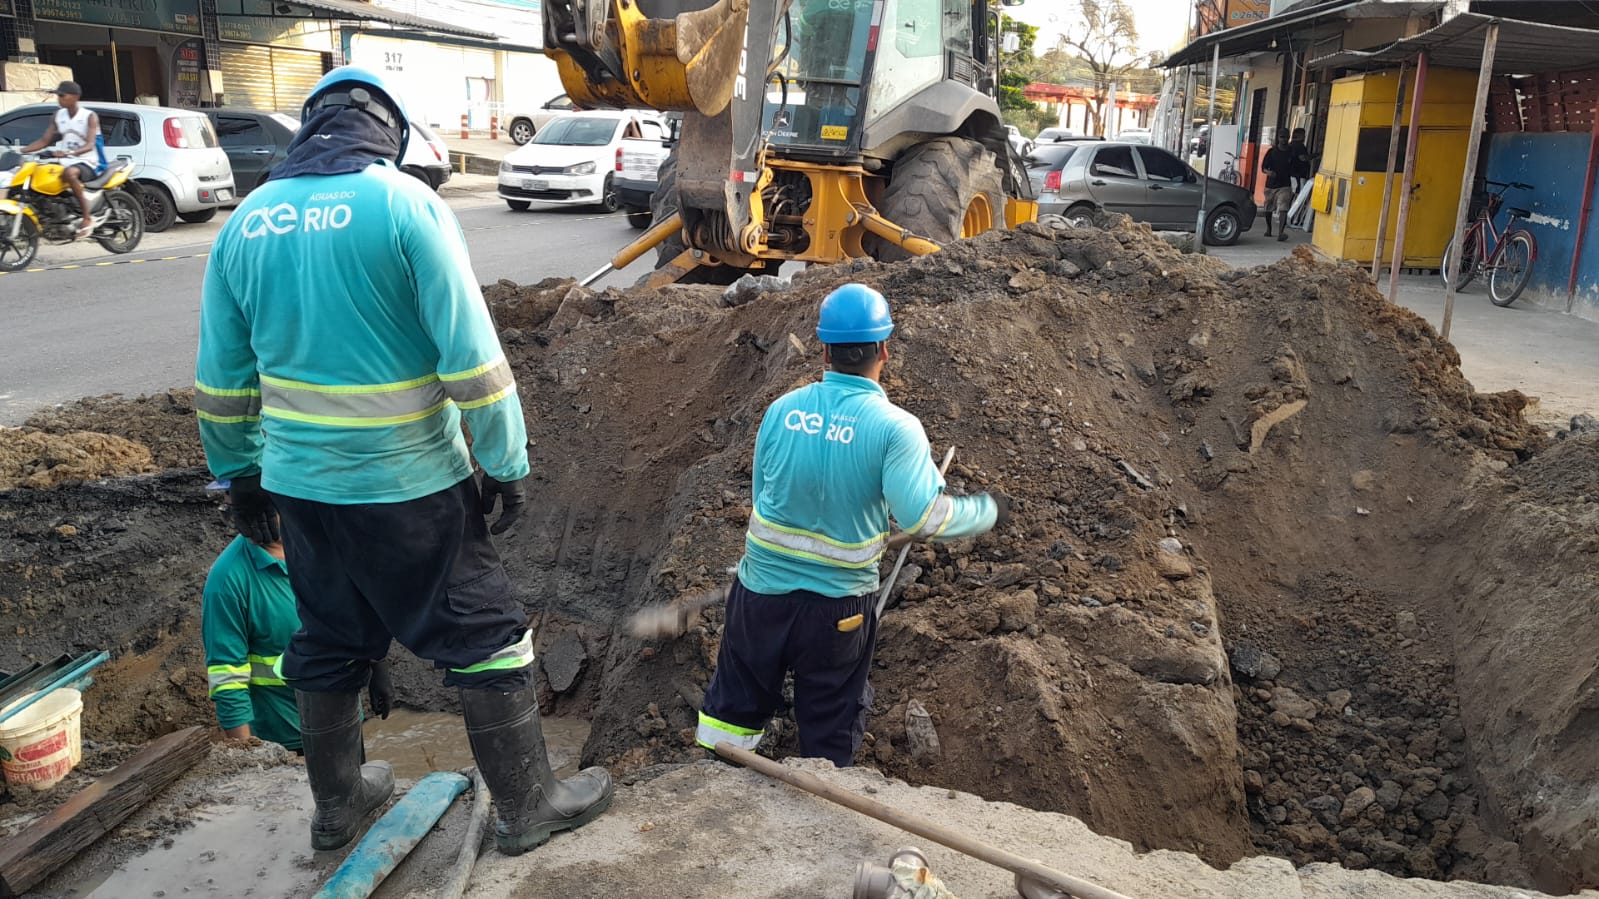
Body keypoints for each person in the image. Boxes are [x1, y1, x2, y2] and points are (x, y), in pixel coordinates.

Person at [194, 66, 612, 855]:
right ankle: (529, 807)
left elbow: (221, 381)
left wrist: (240, 475)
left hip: (302, 491)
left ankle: (339, 802)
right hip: (409, 483)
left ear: (311, 127)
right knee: (488, 636)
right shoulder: (402, 204)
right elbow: (472, 359)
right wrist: (505, 459)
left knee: (328, 638)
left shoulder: (244, 223)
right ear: (384, 129)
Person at [695, 284, 1007, 767]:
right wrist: (986, 512)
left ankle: (711, 790)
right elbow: (922, 517)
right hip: (837, 611)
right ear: (884, 348)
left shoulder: (781, 411)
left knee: (732, 712)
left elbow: (763, 496)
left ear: (823, 350)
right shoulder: (894, 427)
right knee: (829, 721)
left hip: (759, 598)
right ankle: (821, 809)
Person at [201, 483, 394, 755]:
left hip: (344, 721)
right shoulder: (227, 581)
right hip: (285, 743)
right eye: (232, 503)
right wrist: (248, 758)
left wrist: (378, 666)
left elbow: (357, 610)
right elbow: (227, 679)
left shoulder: (323, 547)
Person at [19, 81, 100, 237]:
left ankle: (87, 217)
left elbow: (90, 144)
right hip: (66, 160)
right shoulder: (58, 115)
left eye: (62, 95)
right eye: (58, 95)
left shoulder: (89, 116)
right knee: (40, 172)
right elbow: (44, 141)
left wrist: (69, 152)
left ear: (75, 97)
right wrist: (21, 151)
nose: (59, 99)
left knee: (69, 173)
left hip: (88, 161)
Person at [1261, 130, 1294, 241]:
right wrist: (1268, 172)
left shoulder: (1291, 152)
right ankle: (1269, 229)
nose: (1284, 139)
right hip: (1271, 185)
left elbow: (1297, 166)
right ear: (1278, 138)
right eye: (1282, 137)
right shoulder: (1272, 152)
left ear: (1288, 138)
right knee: (1268, 208)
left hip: (1285, 184)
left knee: (1283, 207)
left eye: (1286, 137)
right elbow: (1263, 167)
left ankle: (1281, 232)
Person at [1288, 127, 1312, 192]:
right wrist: (1315, 156)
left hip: (1291, 174)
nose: (1304, 137)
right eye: (1304, 135)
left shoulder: (1290, 145)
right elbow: (1303, 158)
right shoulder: (1299, 146)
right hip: (1298, 176)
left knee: (1292, 193)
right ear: (1300, 135)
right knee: (1298, 195)